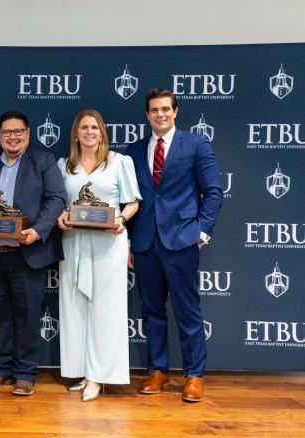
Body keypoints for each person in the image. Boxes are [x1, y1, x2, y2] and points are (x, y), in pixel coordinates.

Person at [126, 89, 222, 402]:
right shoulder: (135, 150)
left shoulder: (196, 144)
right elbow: (130, 199)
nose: (160, 115)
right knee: (152, 310)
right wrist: (128, 241)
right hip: (144, 241)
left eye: (166, 109)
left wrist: (202, 233)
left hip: (181, 240)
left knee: (187, 310)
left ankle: (194, 375)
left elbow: (213, 193)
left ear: (175, 111)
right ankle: (158, 371)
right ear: (147, 114)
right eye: (154, 110)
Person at [0, 111, 65, 396]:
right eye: (7, 132)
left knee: (27, 317)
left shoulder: (44, 161)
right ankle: (1, 369)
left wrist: (38, 231)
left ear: (28, 133)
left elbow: (57, 199)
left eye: (18, 131)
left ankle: (25, 373)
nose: (12, 137)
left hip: (28, 253)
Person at [56, 109, 141, 402]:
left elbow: (132, 203)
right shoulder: (64, 165)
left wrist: (121, 220)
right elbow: (58, 203)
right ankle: (82, 371)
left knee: (106, 311)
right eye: (84, 128)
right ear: (76, 133)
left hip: (109, 244)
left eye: (94, 127)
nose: (89, 132)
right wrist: (60, 216)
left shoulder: (119, 162)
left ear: (102, 132)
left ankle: (99, 377)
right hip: (74, 241)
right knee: (75, 308)